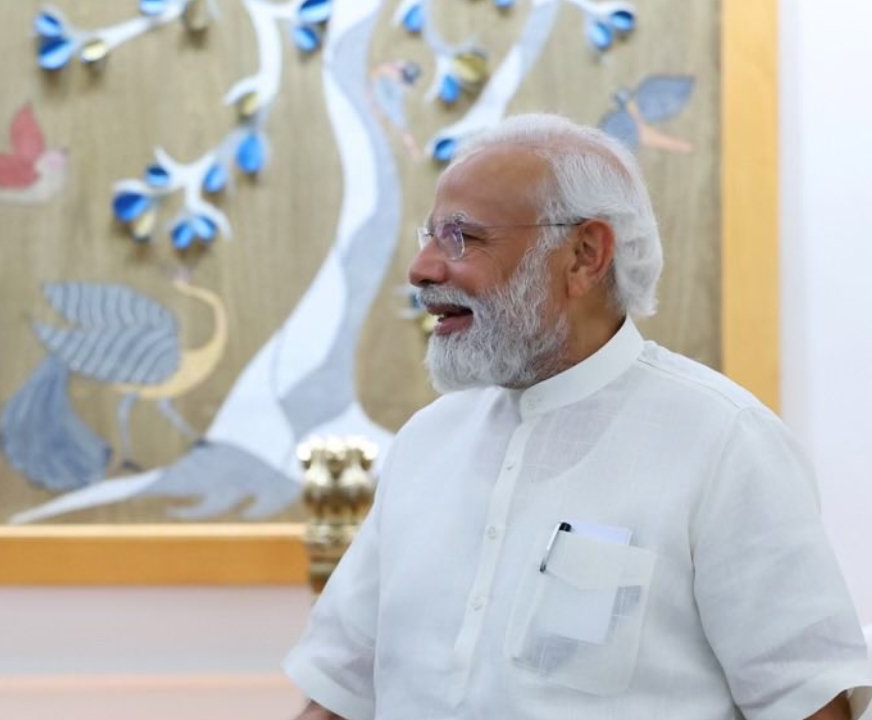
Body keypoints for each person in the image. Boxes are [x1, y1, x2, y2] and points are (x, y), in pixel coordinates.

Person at [284, 114, 872, 719]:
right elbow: (339, 696)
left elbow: (807, 704)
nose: (423, 269)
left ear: (585, 254)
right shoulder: (426, 443)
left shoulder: (723, 443)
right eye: (428, 237)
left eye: (462, 238)